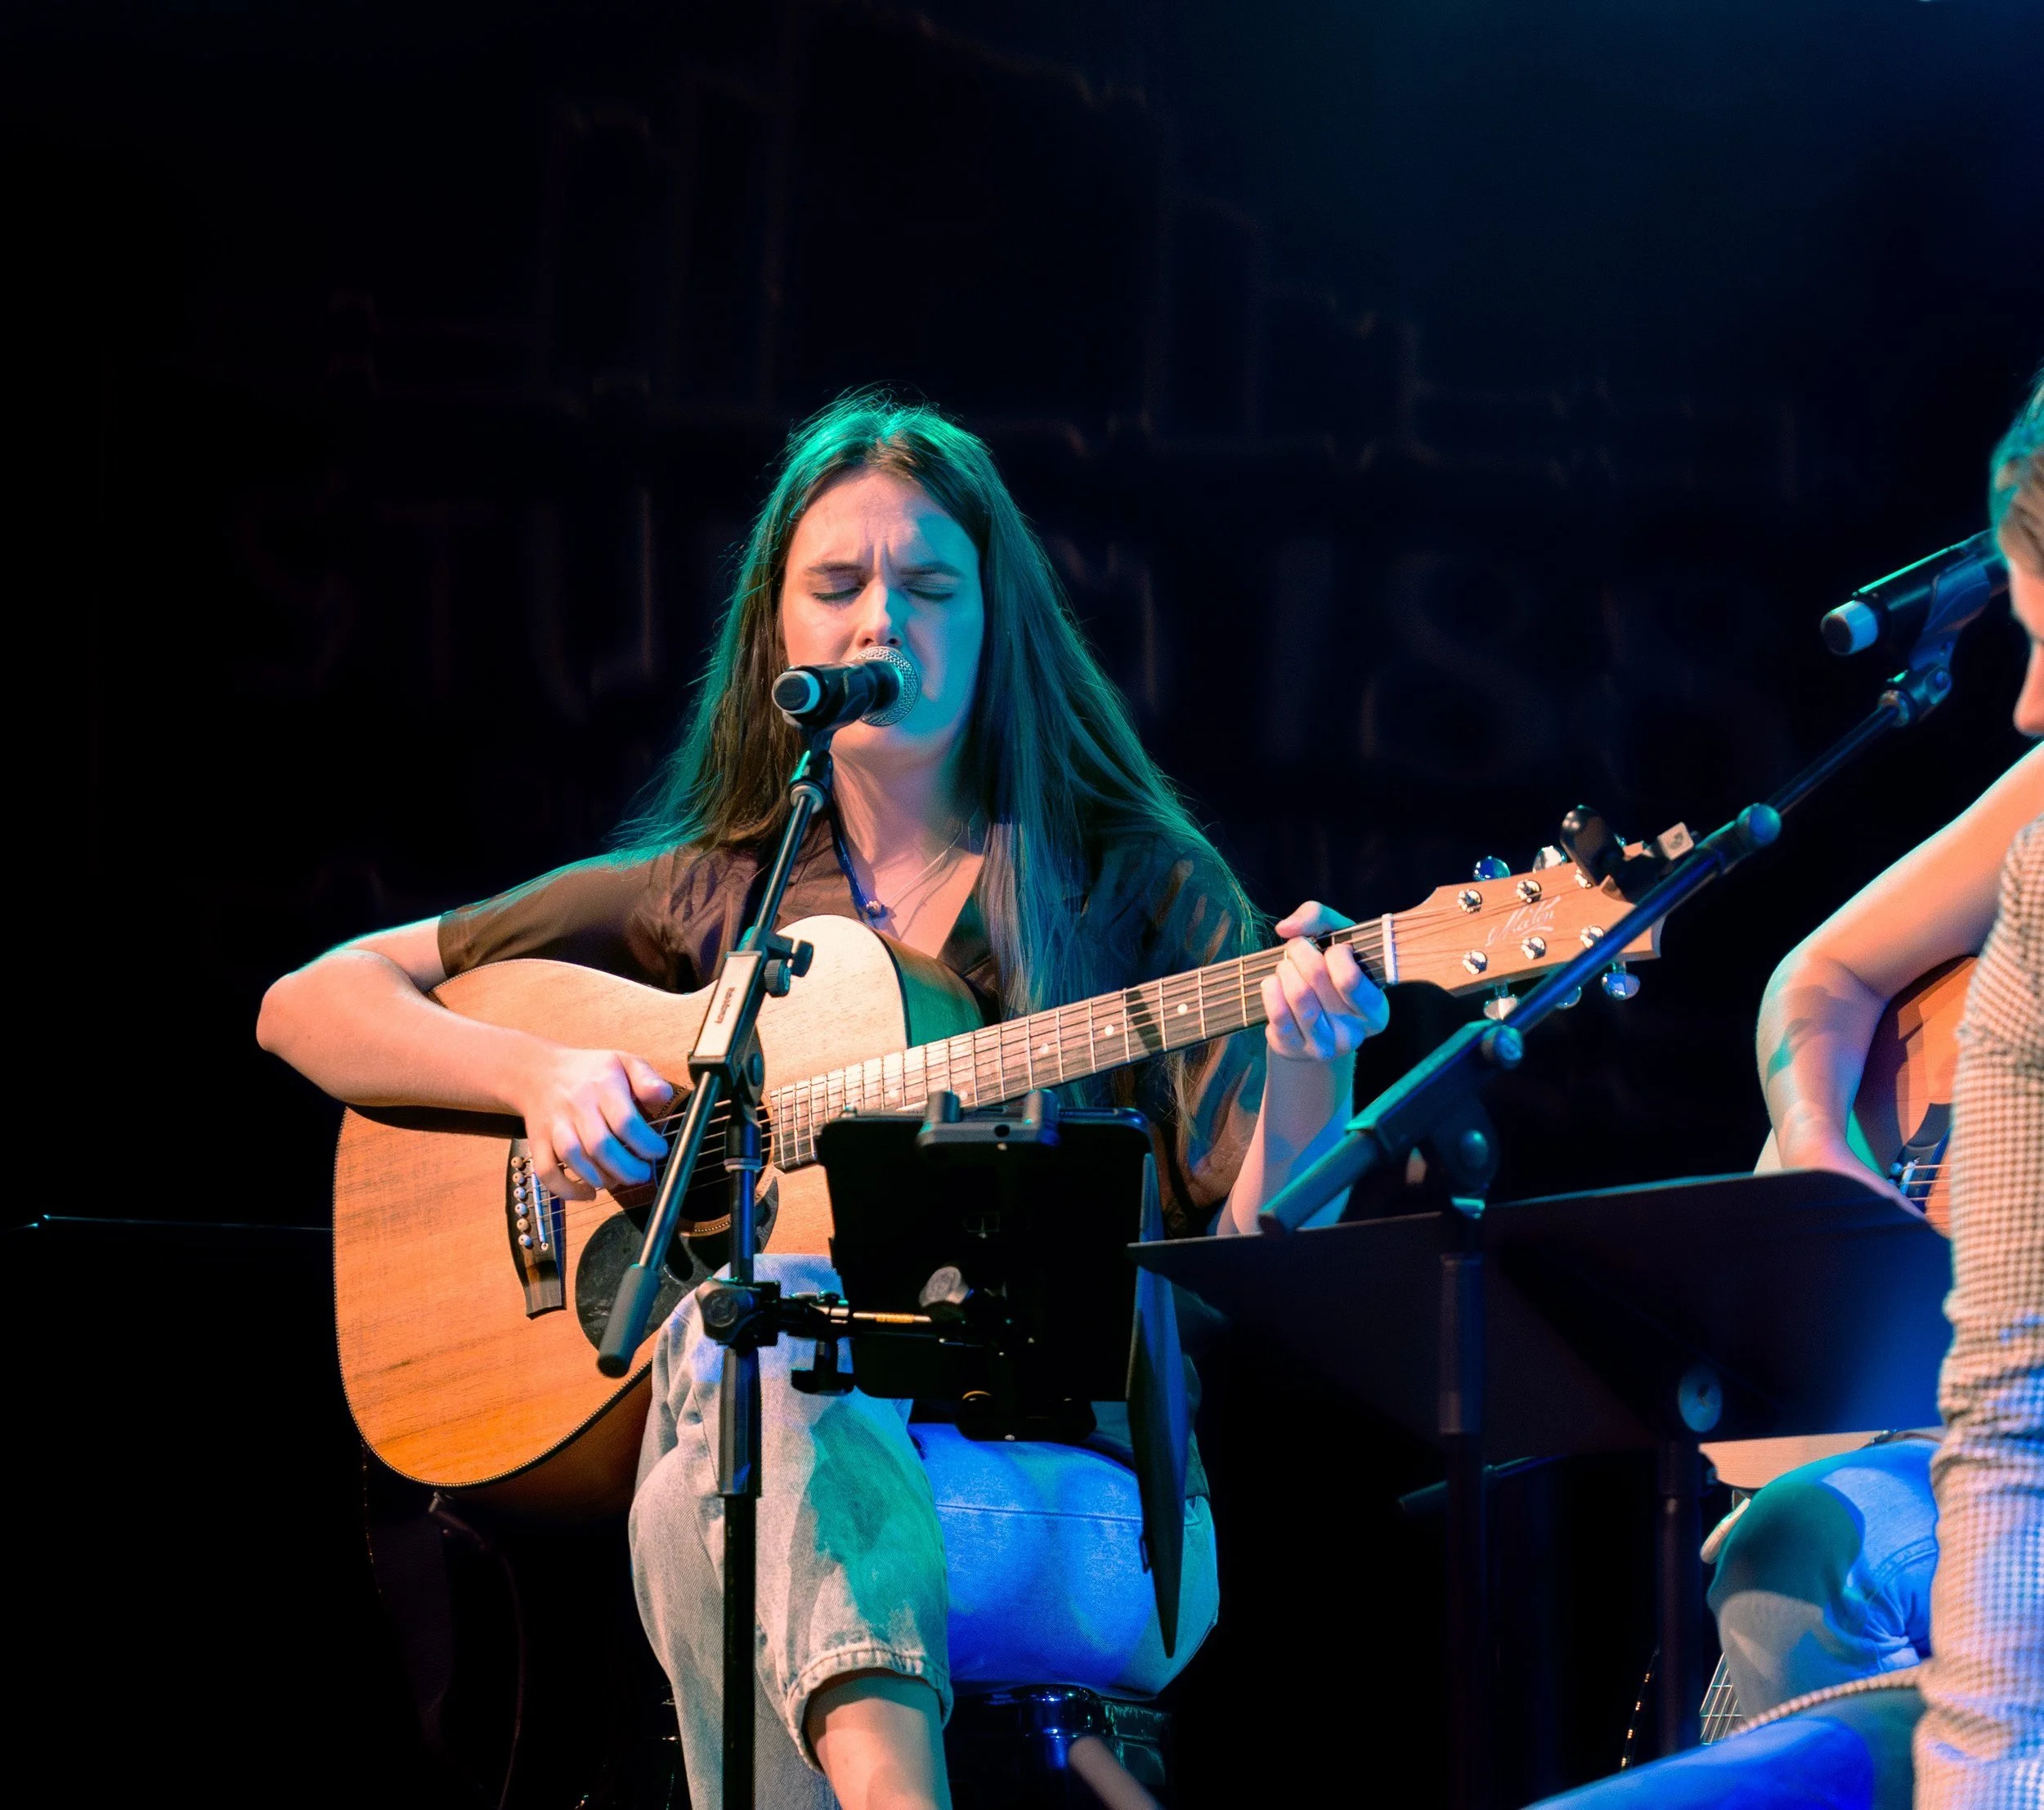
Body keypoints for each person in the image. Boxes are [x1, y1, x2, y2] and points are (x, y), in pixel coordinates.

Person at [258, 392, 1389, 1810]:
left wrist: (1313, 1057)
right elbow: (308, 1000)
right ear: (777, 633)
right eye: (838, 585)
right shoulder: (717, 891)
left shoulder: (1134, 883)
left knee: (749, 1372)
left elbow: (1269, 1247)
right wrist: (542, 1075)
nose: (881, 622)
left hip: (1076, 1503)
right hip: (778, 1475)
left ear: (997, 622)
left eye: (930, 588)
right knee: (741, 1380)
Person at [1529, 380, 2043, 1808]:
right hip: (1957, 1413)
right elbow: (1820, 977)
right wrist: (1827, 1163)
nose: (2026, 706)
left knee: (1801, 1548)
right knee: (1774, 1547)